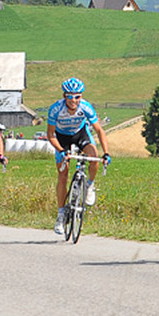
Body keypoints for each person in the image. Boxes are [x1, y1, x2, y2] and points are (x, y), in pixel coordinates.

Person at [46, 77, 111, 235]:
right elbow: (50, 134)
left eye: (77, 96)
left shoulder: (86, 107)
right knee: (63, 174)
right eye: (70, 96)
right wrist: (61, 150)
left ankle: (89, 185)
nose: (74, 100)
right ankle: (61, 214)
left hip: (80, 134)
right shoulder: (56, 109)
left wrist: (106, 153)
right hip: (61, 138)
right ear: (64, 96)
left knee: (93, 158)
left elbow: (99, 130)